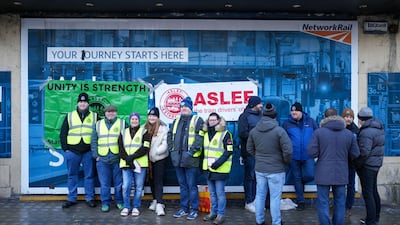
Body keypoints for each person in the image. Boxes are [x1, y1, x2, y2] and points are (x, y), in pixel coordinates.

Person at [308, 108, 360, 225]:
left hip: (323, 172)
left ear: (325, 118)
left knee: (323, 202)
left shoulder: (319, 133)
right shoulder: (348, 134)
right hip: (341, 172)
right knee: (340, 202)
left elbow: (312, 152)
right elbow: (355, 154)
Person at [247, 103, 293, 225]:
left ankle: (259, 220)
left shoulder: (254, 131)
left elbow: (249, 148)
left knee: (260, 195)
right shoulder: (279, 131)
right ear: (275, 116)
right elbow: (288, 150)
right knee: (275, 197)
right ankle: (276, 222)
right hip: (276, 169)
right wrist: (285, 162)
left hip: (260, 168)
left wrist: (258, 157)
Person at [168, 96, 204, 220]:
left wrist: (191, 152)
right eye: (182, 107)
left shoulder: (198, 120)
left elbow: (200, 138)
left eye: (186, 107)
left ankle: (194, 209)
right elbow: (169, 136)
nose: (184, 109)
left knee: (191, 185)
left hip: (191, 159)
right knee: (183, 185)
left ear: (191, 108)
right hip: (177, 159)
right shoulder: (176, 120)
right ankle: (184, 208)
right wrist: (171, 150)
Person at [59, 92, 97, 209]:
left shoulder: (95, 116)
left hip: (88, 151)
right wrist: (66, 149)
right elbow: (63, 133)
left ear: (88, 104)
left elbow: (100, 132)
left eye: (85, 102)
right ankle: (71, 198)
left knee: (89, 176)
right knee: (72, 175)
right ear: (77, 103)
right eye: (81, 102)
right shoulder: (70, 116)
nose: (82, 104)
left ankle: (90, 198)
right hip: (72, 151)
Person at [282, 102, 318, 210]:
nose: (293, 113)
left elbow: (317, 135)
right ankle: (301, 200)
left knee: (310, 175)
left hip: (308, 155)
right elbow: (283, 139)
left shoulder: (310, 122)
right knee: (296, 178)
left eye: (296, 111)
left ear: (301, 112)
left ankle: (301, 183)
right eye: (292, 111)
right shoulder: (286, 124)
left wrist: (315, 149)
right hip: (294, 156)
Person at [91, 105, 125, 212]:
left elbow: (127, 140)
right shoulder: (98, 124)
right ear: (105, 113)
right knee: (104, 183)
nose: (110, 113)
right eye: (108, 112)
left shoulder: (122, 123)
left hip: (117, 158)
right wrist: (96, 155)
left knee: (118, 183)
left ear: (116, 113)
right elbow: (94, 141)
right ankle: (105, 203)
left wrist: (123, 156)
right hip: (102, 159)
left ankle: (119, 201)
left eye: (113, 112)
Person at [201, 112, 233, 225]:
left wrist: (217, 164)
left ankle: (221, 215)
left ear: (219, 121)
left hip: (220, 169)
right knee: (212, 194)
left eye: (214, 120)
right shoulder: (205, 134)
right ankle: (213, 213)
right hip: (208, 169)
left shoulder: (226, 134)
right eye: (210, 120)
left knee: (220, 194)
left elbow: (229, 151)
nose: (212, 122)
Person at [355, 107, 385, 225]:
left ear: (362, 119)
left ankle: (370, 220)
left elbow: (364, 152)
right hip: (376, 164)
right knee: (373, 191)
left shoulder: (366, 132)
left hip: (367, 166)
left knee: (368, 194)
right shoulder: (378, 127)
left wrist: (357, 163)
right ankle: (375, 217)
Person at [119, 112, 151, 217]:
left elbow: (145, 147)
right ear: (130, 120)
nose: (134, 121)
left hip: (140, 164)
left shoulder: (144, 132)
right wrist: (128, 159)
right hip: (126, 163)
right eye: (132, 119)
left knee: (139, 187)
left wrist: (132, 157)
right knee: (126, 186)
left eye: (136, 119)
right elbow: (120, 148)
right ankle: (126, 207)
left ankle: (136, 207)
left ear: (139, 120)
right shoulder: (123, 132)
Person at [238, 95, 263, 213]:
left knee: (260, 178)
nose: (261, 106)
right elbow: (242, 134)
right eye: (259, 104)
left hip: (262, 152)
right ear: (253, 105)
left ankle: (258, 201)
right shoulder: (244, 117)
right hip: (249, 152)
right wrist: (257, 135)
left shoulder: (262, 116)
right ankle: (249, 201)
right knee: (250, 177)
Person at [144, 107, 169, 216]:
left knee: (158, 180)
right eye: (150, 116)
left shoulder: (164, 128)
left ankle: (160, 203)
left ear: (157, 117)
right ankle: (154, 199)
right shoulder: (144, 128)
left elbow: (165, 144)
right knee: (151, 180)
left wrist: (156, 152)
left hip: (159, 158)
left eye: (154, 116)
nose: (152, 118)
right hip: (147, 160)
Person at [341, 108, 360, 217]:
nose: (348, 119)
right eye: (346, 116)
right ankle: (339, 205)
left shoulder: (356, 131)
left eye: (350, 117)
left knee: (351, 186)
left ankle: (348, 207)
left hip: (351, 163)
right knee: (339, 186)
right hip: (341, 162)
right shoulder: (340, 129)